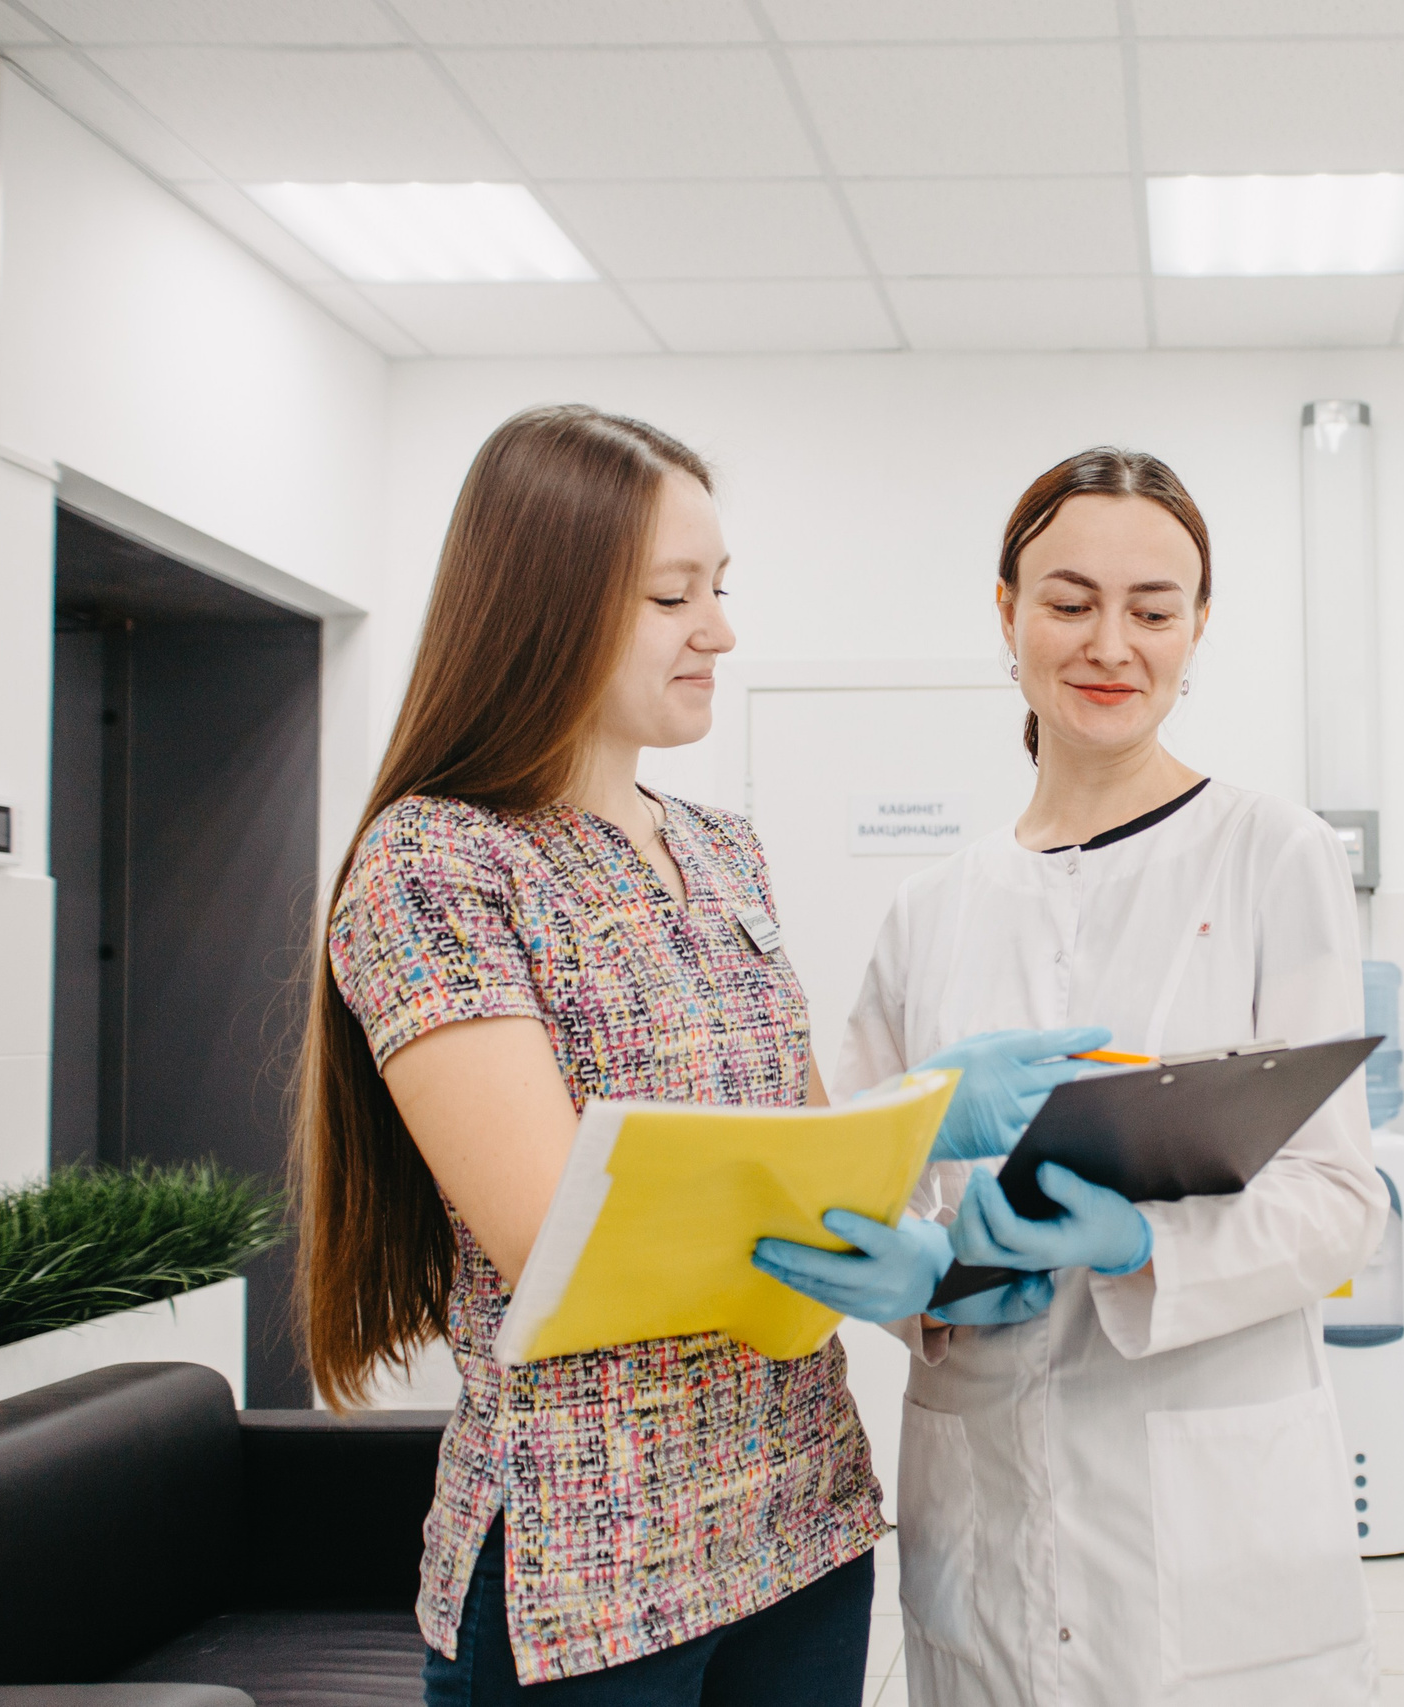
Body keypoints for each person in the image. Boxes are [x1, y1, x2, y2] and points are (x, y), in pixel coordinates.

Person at [294, 405, 1094, 1707]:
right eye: (674, 594)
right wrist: (915, 1108)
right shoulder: (438, 863)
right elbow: (559, 1234)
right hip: (590, 1575)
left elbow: (805, 1153)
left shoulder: (723, 846)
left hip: (801, 1520)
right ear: (545, 604)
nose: (718, 627)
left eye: (718, 587)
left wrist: (922, 1266)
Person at [755, 447, 1386, 1705]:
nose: (1112, 643)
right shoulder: (930, 910)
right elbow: (850, 1181)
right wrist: (920, 1286)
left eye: (1154, 610)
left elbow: (1339, 1203)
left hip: (1208, 1514)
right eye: (1069, 600)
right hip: (981, 1492)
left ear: (1198, 627)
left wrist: (1140, 1245)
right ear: (1007, 611)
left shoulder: (1274, 855)